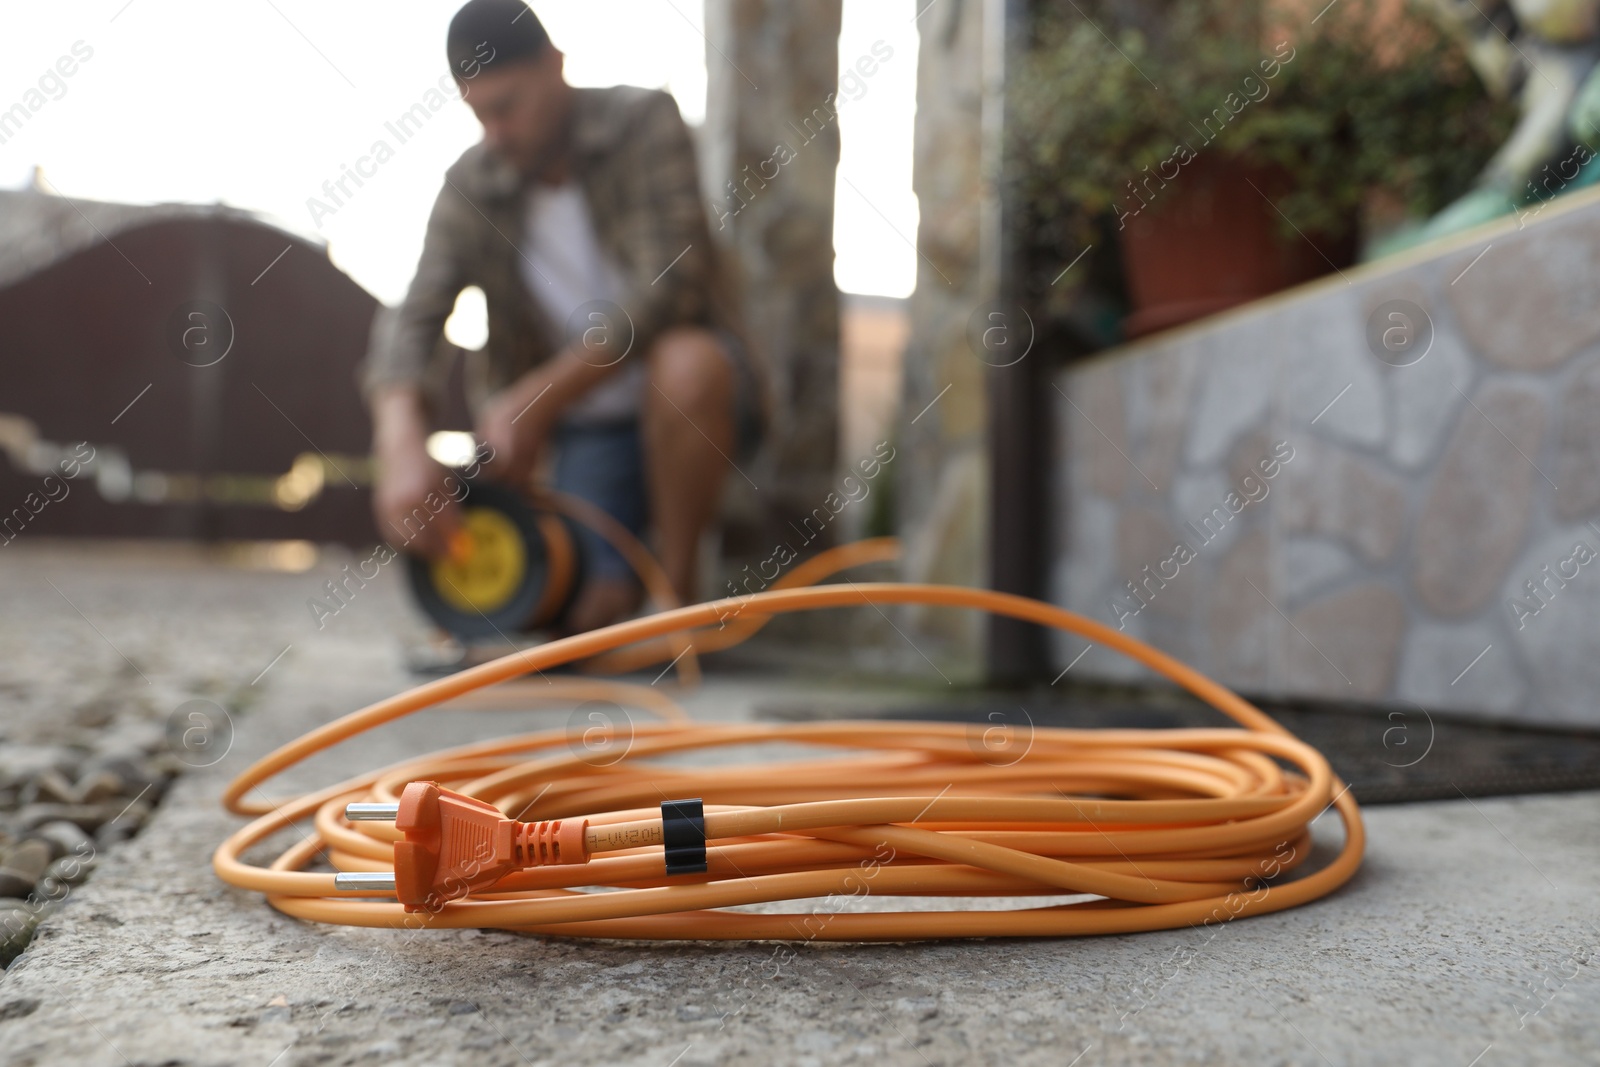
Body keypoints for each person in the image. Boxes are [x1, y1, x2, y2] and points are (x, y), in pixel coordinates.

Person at [363, 0, 765, 635]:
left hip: (687, 407)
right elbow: (413, 320)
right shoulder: (471, 184)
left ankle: (680, 611)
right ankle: (619, 588)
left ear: (556, 66)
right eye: (477, 114)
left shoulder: (643, 122)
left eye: (507, 107)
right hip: (581, 436)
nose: (494, 133)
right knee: (580, 614)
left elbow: (672, 286)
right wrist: (399, 443)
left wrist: (537, 397)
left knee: (689, 361)